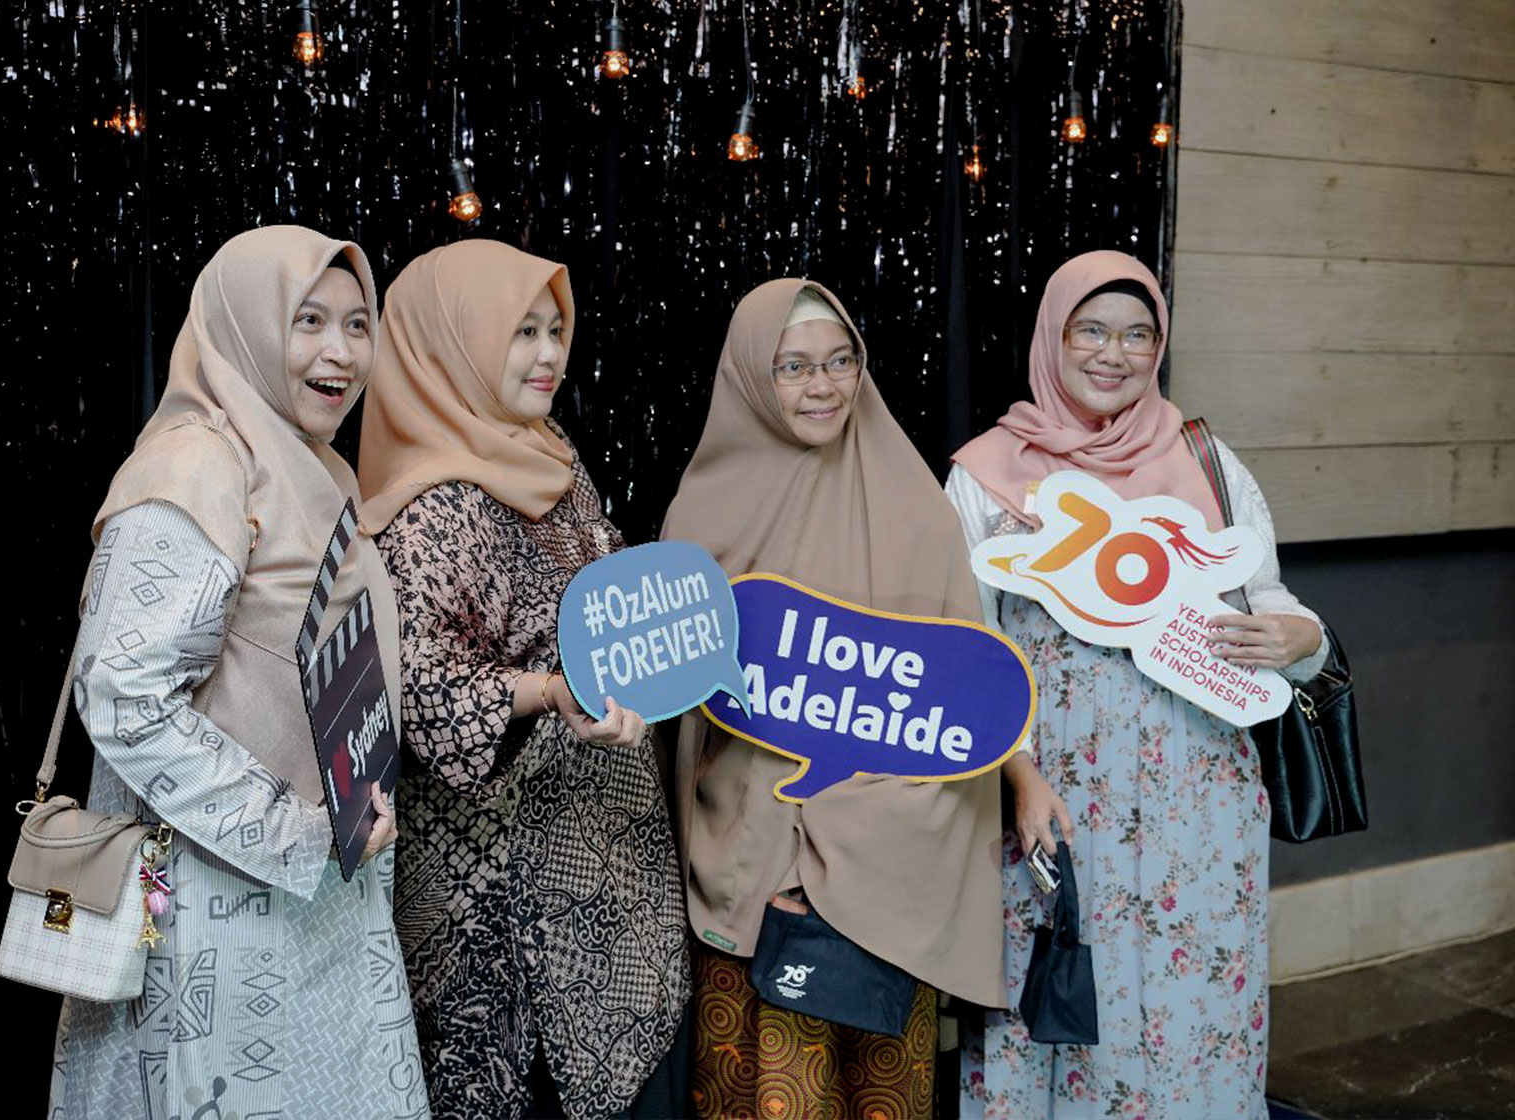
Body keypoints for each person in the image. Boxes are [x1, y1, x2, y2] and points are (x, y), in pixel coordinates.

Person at [48, 226, 430, 1118]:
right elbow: (123, 695)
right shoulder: (197, 466)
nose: (340, 351)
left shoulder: (311, 467)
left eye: (356, 323)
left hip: (311, 908)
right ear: (248, 326)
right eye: (308, 321)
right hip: (206, 917)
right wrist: (293, 833)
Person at [948, 250, 1327, 1119]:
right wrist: (1018, 779)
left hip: (1201, 796)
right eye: (1092, 330)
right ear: (1054, 334)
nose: (1113, 354)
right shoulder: (985, 476)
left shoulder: (1207, 460)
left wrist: (1298, 637)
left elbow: (1271, 598)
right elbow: (968, 650)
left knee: (1193, 1009)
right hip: (1056, 796)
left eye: (1137, 334)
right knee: (1065, 999)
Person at [356, 239, 690, 1120]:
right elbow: (421, 700)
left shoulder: (547, 451)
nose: (548, 355)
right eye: (519, 334)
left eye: (555, 329)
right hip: (511, 913)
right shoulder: (438, 507)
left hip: (603, 869)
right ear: (451, 344)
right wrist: (548, 692)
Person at [661, 280, 1007, 1120]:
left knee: (883, 1097)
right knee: (769, 1099)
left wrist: (852, 845)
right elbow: (687, 724)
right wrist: (778, 855)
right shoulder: (698, 512)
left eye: (840, 361)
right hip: (748, 862)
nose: (822, 386)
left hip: (894, 860)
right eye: (794, 367)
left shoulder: (919, 509)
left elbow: (953, 701)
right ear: (751, 375)